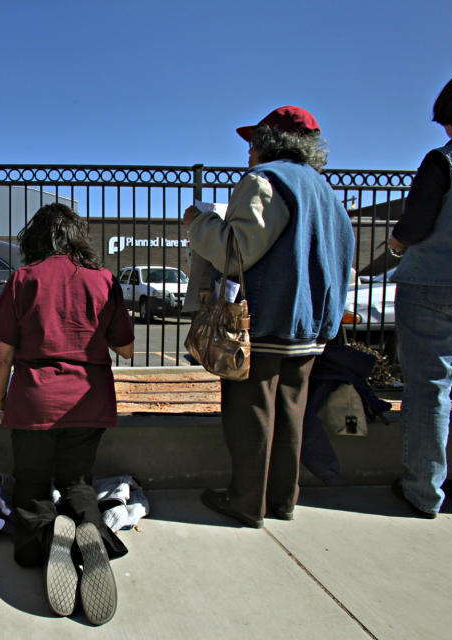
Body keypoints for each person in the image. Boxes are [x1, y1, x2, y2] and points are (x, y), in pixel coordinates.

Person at [183, 106, 354, 529]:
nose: (247, 152)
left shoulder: (264, 181)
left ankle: (245, 502)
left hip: (261, 321)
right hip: (310, 325)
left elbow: (237, 251)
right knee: (291, 412)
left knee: (251, 414)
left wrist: (199, 222)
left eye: (252, 142)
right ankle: (283, 499)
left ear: (269, 144)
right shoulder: (325, 191)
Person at [0, 202, 135, 626]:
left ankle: (46, 545)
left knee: (31, 487)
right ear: (77, 237)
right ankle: (88, 533)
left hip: (34, 401)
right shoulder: (104, 280)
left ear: (36, 238)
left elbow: (4, 354)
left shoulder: (23, 279)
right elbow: (125, 348)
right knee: (77, 482)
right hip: (90, 400)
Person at [388, 68, 452, 518]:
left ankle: (424, 491)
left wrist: (396, 243)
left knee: (429, 389)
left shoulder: (447, 159)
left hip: (435, 284)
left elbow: (415, 225)